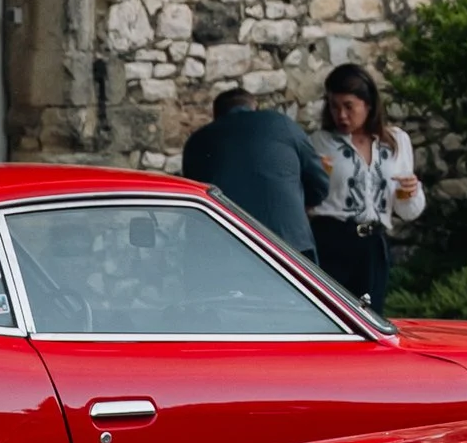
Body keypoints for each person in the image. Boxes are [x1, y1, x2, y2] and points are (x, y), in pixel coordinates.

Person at [308, 60, 426, 312]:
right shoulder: (319, 142)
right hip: (330, 241)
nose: (341, 115)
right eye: (334, 106)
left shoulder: (396, 141)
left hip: (373, 245)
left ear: (368, 105)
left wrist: (412, 192)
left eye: (349, 107)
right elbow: (307, 200)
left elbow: (408, 211)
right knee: (331, 318)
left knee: (370, 321)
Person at [179, 83, 331, 262]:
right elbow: (320, 186)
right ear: (255, 108)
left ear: (216, 116)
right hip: (288, 247)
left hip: (225, 253)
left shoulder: (197, 142)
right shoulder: (282, 124)